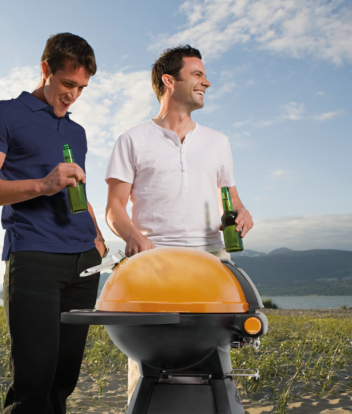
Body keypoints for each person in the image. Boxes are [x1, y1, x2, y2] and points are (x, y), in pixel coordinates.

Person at [0, 32, 109, 414]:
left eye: (81, 88)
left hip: (84, 263)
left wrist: (98, 236)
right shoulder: (4, 114)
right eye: (66, 84)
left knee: (63, 384)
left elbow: (79, 191)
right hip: (35, 257)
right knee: (33, 385)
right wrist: (43, 185)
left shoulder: (77, 132)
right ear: (45, 69)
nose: (73, 95)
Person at [104, 45, 254, 401]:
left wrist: (243, 215)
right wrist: (133, 237)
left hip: (211, 267)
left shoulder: (218, 142)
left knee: (213, 364)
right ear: (169, 80)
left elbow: (231, 200)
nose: (207, 82)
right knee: (149, 367)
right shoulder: (132, 139)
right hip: (152, 268)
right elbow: (113, 208)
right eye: (198, 74)